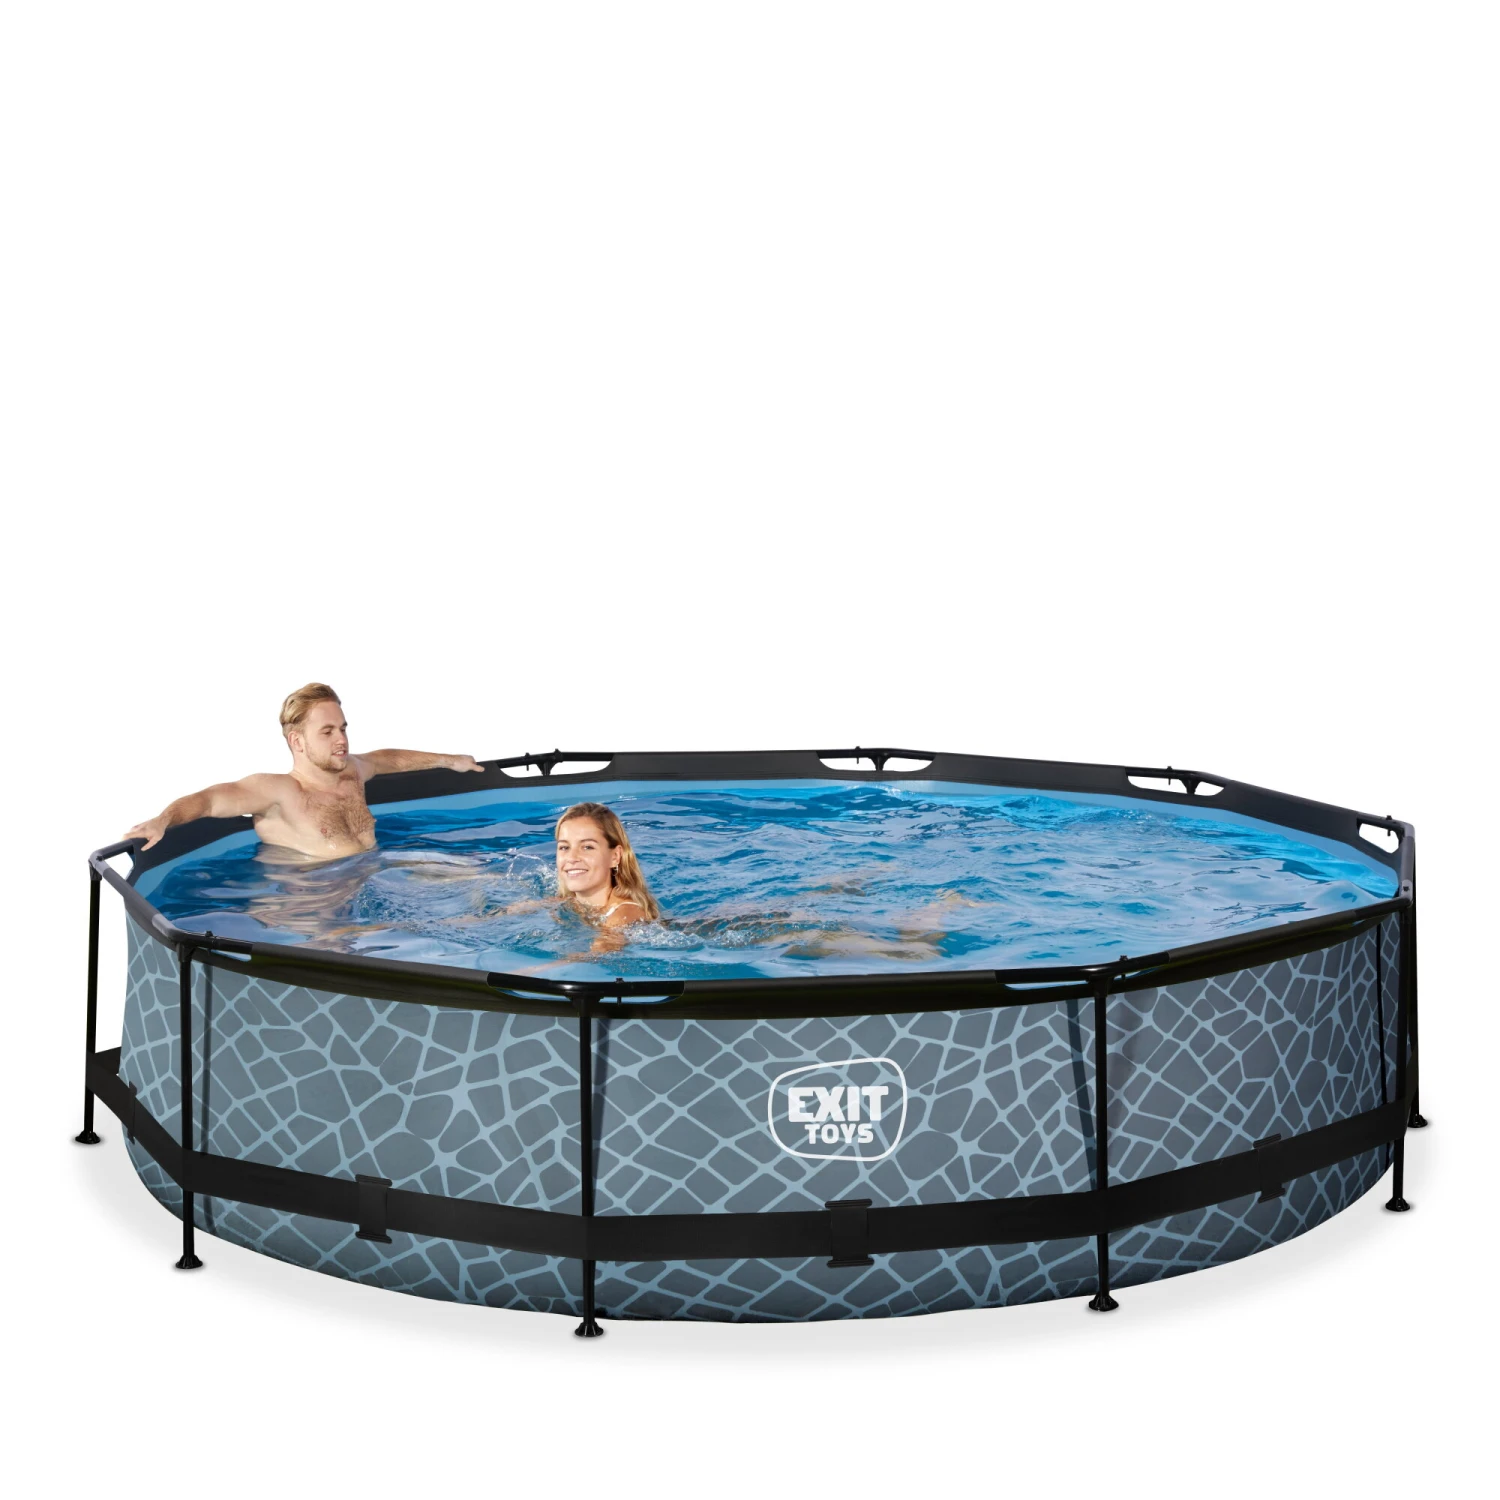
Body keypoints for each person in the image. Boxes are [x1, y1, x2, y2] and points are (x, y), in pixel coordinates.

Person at [124, 682, 484, 861]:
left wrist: (450, 760)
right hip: (313, 900)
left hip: (372, 873)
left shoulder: (352, 772)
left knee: (475, 877)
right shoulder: (280, 792)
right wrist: (163, 819)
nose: (341, 740)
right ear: (297, 741)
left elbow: (387, 759)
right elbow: (208, 801)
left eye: (342, 728)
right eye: (327, 732)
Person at [554, 802, 660, 935]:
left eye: (587, 847)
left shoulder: (623, 915)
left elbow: (603, 947)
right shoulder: (568, 902)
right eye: (564, 847)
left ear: (615, 856)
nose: (571, 858)